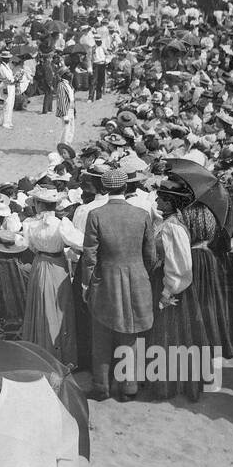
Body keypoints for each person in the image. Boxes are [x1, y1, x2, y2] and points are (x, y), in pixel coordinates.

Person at [77, 169, 158, 399]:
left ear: (104, 188)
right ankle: (128, 387)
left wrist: (86, 286)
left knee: (101, 335)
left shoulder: (96, 214)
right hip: (137, 277)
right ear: (126, 187)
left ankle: (101, 387)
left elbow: (90, 256)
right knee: (130, 334)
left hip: (106, 279)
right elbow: (150, 254)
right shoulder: (142, 214)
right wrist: (144, 274)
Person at [145, 180, 207, 400]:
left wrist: (168, 291)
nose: (157, 200)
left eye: (161, 198)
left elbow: (180, 265)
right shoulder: (168, 222)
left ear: (170, 202)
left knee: (171, 334)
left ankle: (169, 385)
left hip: (172, 285)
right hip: (166, 281)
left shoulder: (172, 227)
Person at [20, 187, 82, 366]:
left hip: (40, 264)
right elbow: (80, 243)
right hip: (58, 266)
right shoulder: (62, 224)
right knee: (59, 308)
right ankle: (61, 354)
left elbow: (28, 246)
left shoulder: (31, 225)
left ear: (39, 205)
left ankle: (40, 351)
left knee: (41, 305)